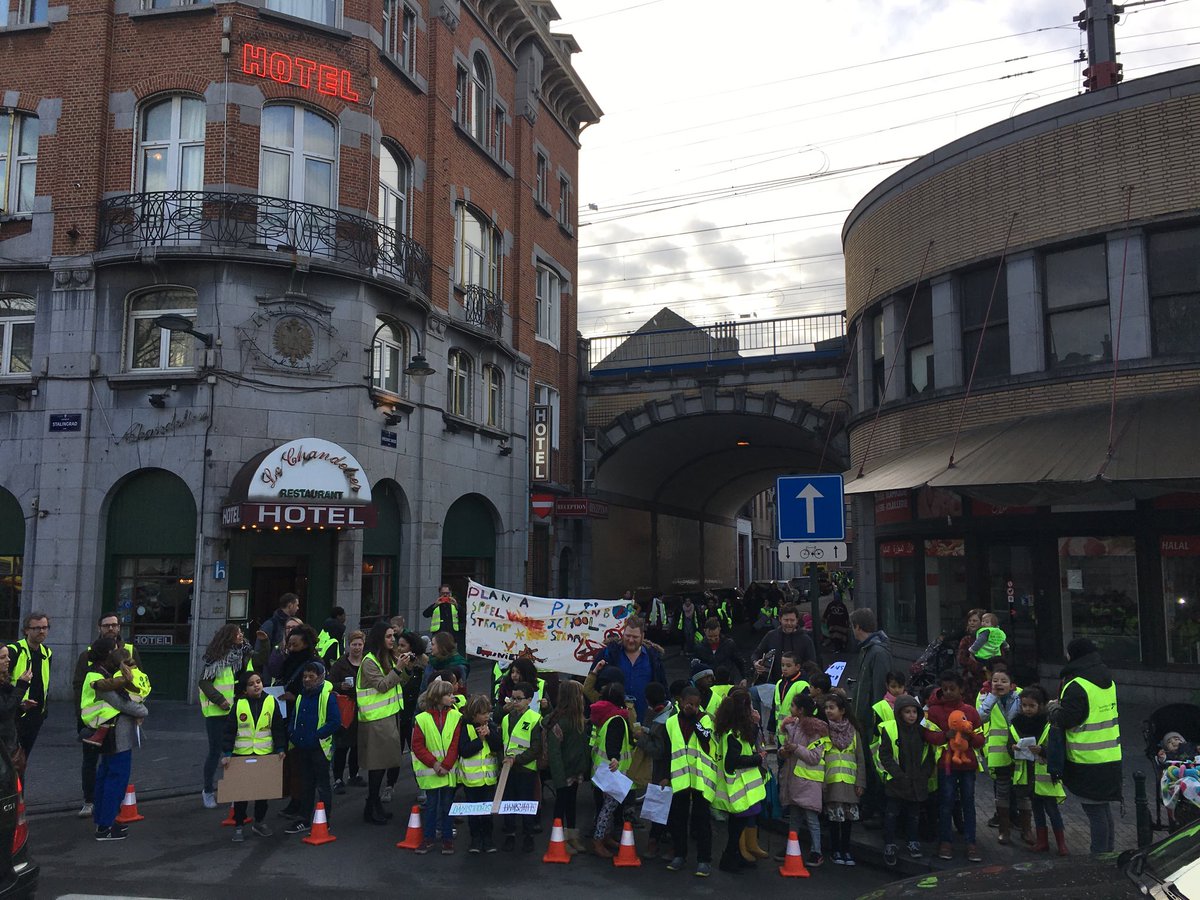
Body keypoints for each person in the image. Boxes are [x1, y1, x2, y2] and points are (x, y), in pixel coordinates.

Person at [1047, 637, 1122, 854]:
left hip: (1086, 759)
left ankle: (1099, 857)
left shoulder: (1077, 684)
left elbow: (1067, 719)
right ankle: (1108, 853)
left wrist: (1053, 708)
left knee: (1095, 812)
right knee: (1103, 810)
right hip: (1110, 756)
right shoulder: (1107, 680)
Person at [72, 614, 143, 818]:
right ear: (99, 628)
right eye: (107, 625)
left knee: (111, 767)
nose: (111, 628)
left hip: (120, 721)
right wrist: (83, 717)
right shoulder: (89, 654)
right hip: (95, 719)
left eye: (114, 625)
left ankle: (108, 808)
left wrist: (136, 708)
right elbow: (79, 687)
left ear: (119, 627)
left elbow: (140, 681)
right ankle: (90, 801)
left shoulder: (130, 651)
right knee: (92, 761)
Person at [82, 638, 149, 841]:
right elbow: (122, 703)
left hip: (109, 732)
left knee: (105, 776)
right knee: (116, 779)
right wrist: (142, 710)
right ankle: (106, 826)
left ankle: (104, 820)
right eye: (114, 650)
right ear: (107, 654)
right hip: (115, 734)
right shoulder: (99, 677)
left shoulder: (102, 673)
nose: (118, 652)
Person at [924, 670, 984, 862]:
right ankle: (945, 842)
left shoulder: (971, 711)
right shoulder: (934, 711)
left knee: (968, 803)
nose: (949, 692)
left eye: (952, 688)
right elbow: (927, 735)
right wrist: (945, 735)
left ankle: (971, 843)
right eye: (945, 689)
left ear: (961, 689)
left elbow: (981, 740)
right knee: (946, 802)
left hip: (968, 765)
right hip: (946, 764)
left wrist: (970, 736)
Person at [222, 670, 286, 842]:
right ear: (244, 689)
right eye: (251, 684)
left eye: (258, 682)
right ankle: (239, 825)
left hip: (264, 754)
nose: (256, 686)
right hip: (241, 755)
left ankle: (259, 822)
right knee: (241, 794)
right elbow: (229, 731)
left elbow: (278, 727)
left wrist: (280, 748)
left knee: (262, 793)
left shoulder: (271, 701)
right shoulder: (239, 705)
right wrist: (227, 753)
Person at [357, 621, 411, 825]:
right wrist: (398, 668)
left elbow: (400, 682)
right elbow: (382, 685)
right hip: (375, 720)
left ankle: (374, 803)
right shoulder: (369, 661)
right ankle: (371, 805)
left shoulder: (387, 657)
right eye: (388, 636)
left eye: (393, 636)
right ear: (379, 638)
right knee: (377, 765)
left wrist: (406, 668)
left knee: (384, 763)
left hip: (388, 716)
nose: (393, 640)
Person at [660, 685, 715, 877]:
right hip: (680, 778)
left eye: (696, 705)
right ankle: (679, 855)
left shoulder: (704, 719)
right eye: (688, 703)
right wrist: (665, 776)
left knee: (702, 820)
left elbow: (705, 737)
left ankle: (704, 860)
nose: (692, 707)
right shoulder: (671, 722)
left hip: (700, 779)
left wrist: (694, 719)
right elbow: (667, 751)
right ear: (680, 702)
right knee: (679, 819)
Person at [712, 687, 768, 873]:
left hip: (741, 790)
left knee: (737, 828)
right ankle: (729, 861)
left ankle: (736, 858)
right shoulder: (733, 735)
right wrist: (757, 758)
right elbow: (732, 762)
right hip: (738, 790)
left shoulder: (734, 731)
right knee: (735, 830)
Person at [284, 660, 341, 836]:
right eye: (305, 676)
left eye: (311, 676)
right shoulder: (302, 696)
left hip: (319, 748)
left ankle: (324, 820)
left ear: (320, 677)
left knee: (322, 786)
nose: (307, 680)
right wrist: (292, 733)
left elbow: (334, 722)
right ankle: (304, 819)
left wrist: (316, 736)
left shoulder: (327, 696)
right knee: (306, 784)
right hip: (303, 746)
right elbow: (294, 717)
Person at [1009, 684, 1067, 855]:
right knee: (1037, 811)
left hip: (1046, 777)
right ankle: (1042, 842)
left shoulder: (1048, 725)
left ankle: (1061, 844)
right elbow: (1009, 745)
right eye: (1024, 705)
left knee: (1052, 811)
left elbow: (1057, 750)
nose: (1027, 709)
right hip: (1029, 777)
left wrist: (1042, 751)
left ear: (1040, 706)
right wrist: (1013, 748)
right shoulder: (1017, 724)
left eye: (1031, 706)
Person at [198, 623, 250, 810]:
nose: (241, 636)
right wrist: (219, 700)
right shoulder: (216, 659)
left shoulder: (239, 655)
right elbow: (204, 682)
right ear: (229, 637)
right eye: (238, 634)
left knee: (234, 751)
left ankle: (233, 791)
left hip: (233, 711)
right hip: (216, 712)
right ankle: (207, 790)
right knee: (216, 752)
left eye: (241, 633)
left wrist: (265, 643)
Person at [877, 694, 934, 866]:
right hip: (897, 781)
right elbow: (885, 755)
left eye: (914, 712)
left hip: (917, 781)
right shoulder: (891, 729)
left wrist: (924, 774)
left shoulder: (922, 732)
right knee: (892, 814)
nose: (911, 715)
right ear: (899, 713)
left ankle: (912, 840)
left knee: (913, 815)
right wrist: (898, 775)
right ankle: (889, 843)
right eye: (907, 712)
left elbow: (929, 755)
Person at [411, 679, 462, 854]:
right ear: (438, 697)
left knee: (446, 806)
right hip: (436, 770)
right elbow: (417, 745)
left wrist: (444, 765)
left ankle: (446, 839)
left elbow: (456, 744)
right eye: (448, 694)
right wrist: (435, 764)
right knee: (432, 807)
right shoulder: (422, 719)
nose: (452, 697)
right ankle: (429, 838)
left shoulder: (456, 716)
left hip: (445, 770)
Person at [778, 691, 829, 867]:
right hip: (794, 780)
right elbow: (786, 749)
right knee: (794, 817)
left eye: (793, 705)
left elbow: (815, 757)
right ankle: (792, 847)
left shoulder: (815, 730)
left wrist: (795, 748)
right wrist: (783, 751)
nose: (790, 708)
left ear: (800, 710)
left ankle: (817, 851)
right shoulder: (792, 727)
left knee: (811, 818)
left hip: (808, 781)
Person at [977, 663, 1025, 845]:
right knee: (1002, 791)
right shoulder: (985, 696)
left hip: (1019, 752)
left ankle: (1025, 828)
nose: (999, 684)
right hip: (998, 752)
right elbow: (980, 718)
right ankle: (1004, 830)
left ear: (1011, 684)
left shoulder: (1021, 695)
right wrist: (993, 697)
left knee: (1022, 791)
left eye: (1003, 681)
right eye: (995, 680)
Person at [588, 680, 633, 858]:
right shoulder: (618, 719)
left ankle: (604, 837)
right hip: (612, 771)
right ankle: (598, 840)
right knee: (607, 809)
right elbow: (613, 742)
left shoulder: (603, 715)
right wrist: (615, 757)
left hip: (601, 769)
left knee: (604, 807)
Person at [590, 617, 667, 719]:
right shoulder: (608, 654)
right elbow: (592, 683)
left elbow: (663, 688)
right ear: (623, 633)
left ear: (642, 636)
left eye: (635, 637)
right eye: (628, 636)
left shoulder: (653, 658)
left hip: (645, 719)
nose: (630, 640)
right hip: (614, 719)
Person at [823, 692, 865, 865]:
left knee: (848, 820)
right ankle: (836, 850)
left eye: (831, 708)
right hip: (832, 781)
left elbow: (860, 759)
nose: (828, 711)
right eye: (826, 708)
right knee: (834, 819)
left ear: (842, 711)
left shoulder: (853, 731)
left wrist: (860, 782)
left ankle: (846, 850)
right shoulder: (824, 730)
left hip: (850, 782)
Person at [457, 694, 502, 854]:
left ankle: (488, 839)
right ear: (474, 714)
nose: (487, 716)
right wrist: (480, 740)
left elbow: (498, 746)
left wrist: (489, 735)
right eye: (483, 713)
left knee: (487, 811)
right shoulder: (465, 728)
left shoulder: (490, 726)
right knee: (473, 812)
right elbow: (464, 750)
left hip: (488, 779)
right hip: (471, 779)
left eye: (488, 713)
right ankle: (475, 839)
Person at [500, 681, 542, 852]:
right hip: (507, 768)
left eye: (519, 699)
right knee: (508, 803)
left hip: (526, 768)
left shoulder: (535, 719)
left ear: (529, 700)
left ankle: (528, 836)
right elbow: (503, 743)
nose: (515, 702)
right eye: (513, 698)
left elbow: (536, 748)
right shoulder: (506, 719)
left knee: (526, 803)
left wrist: (516, 760)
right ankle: (510, 834)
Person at [8, 612, 51, 760]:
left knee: (22, 758)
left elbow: (45, 683)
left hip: (35, 714)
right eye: (36, 628)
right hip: (15, 713)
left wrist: (43, 711)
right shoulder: (14, 650)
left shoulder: (47, 652)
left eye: (45, 627)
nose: (41, 631)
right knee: (10, 758)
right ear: (26, 630)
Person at [329, 629, 365, 793]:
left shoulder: (367, 663)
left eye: (359, 644)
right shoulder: (340, 664)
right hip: (345, 709)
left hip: (362, 708)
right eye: (354, 644)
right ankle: (337, 778)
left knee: (357, 746)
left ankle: (354, 774)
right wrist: (340, 686)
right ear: (349, 646)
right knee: (342, 746)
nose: (357, 648)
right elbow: (330, 684)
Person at [751, 605, 816, 685]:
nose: (789, 623)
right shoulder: (771, 635)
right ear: (780, 619)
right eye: (786, 620)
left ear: (797, 620)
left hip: (797, 684)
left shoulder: (805, 639)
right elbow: (756, 654)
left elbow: (812, 664)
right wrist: (756, 663)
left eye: (792, 620)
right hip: (774, 684)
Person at [0, 646, 30, 778]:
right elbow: (5, 711)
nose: (8, 660)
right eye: (2, 657)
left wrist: (21, 707)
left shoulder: (4, 683)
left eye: (7, 656)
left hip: (8, 743)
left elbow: (9, 710)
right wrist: (21, 685)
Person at [691, 617, 746, 684]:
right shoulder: (699, 647)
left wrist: (744, 678)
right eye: (710, 636)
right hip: (709, 683)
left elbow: (739, 661)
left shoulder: (729, 644)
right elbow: (695, 666)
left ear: (719, 629)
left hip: (727, 681)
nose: (713, 639)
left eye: (715, 636)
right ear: (705, 631)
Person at [773, 650, 810, 745]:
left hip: (796, 733)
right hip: (780, 733)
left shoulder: (802, 685)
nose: (784, 668)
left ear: (797, 667)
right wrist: (771, 729)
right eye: (782, 665)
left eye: (788, 666)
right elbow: (774, 707)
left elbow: (806, 711)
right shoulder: (779, 683)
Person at [955, 608, 987, 703]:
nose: (971, 623)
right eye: (970, 621)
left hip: (988, 679)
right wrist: (980, 666)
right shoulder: (966, 640)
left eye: (975, 621)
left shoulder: (991, 639)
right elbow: (962, 659)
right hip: (970, 682)